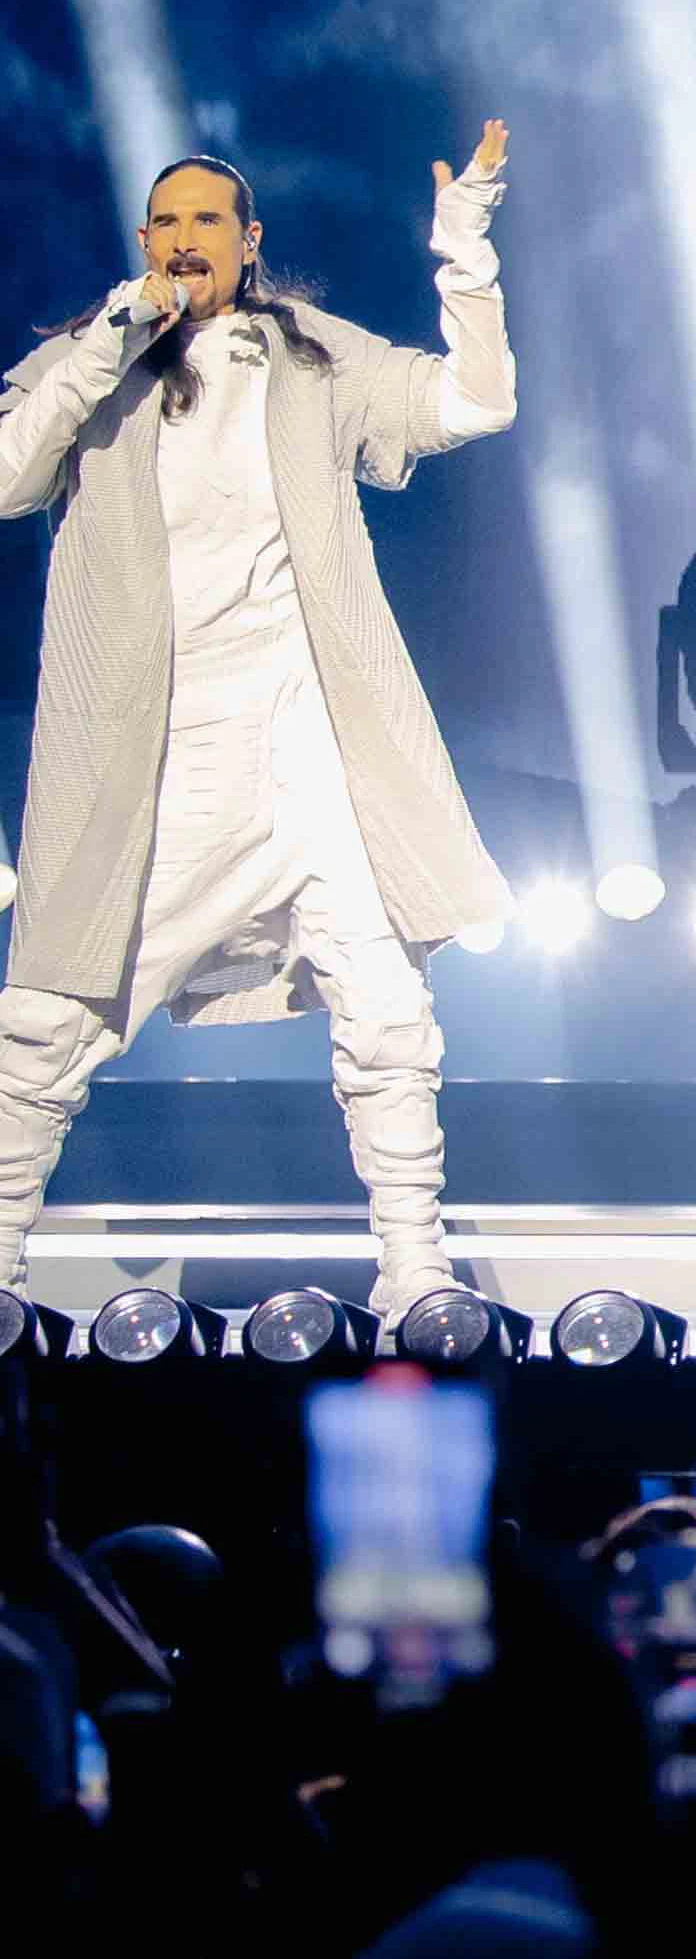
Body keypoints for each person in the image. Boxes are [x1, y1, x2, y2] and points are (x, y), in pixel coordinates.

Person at [0, 133, 519, 1317]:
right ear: (144, 244)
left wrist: (465, 253)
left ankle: (414, 1272)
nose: (185, 239)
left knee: (388, 1009)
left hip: (308, 738)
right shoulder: (92, 364)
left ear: (250, 243)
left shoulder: (313, 358)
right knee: (48, 1021)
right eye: (164, 222)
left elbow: (474, 402)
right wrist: (108, 342)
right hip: (158, 753)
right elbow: (7, 477)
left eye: (208, 222)